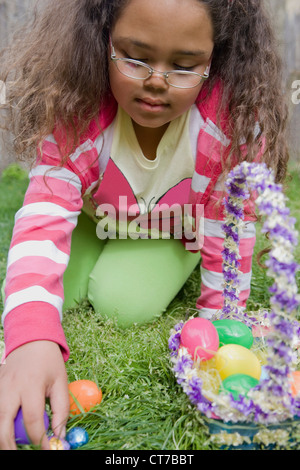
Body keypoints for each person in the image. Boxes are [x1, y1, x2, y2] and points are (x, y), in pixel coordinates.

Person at [0, 0, 289, 450]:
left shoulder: (227, 126)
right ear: (102, 42)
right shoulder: (78, 113)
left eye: (185, 65)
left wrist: (220, 319)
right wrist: (30, 337)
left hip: (173, 230)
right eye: (135, 57)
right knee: (63, 291)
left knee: (120, 301)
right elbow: (44, 214)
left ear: (216, 59)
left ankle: (168, 260)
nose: (156, 80)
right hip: (97, 219)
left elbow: (232, 223)